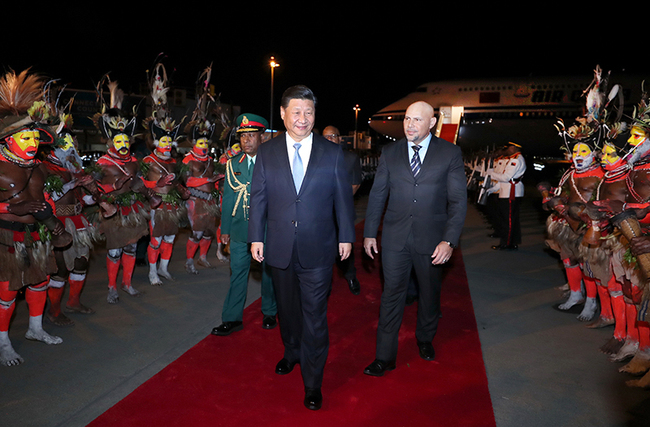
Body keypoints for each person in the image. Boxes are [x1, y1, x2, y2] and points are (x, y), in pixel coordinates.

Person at [248, 85, 355, 410]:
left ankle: (312, 382)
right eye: (296, 111)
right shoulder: (267, 152)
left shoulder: (332, 152)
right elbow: (259, 197)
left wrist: (346, 236)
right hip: (279, 247)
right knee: (288, 310)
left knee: (315, 317)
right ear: (282, 114)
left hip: (319, 250)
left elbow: (343, 200)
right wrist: (256, 236)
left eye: (308, 112)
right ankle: (291, 351)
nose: (303, 118)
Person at [362, 100, 467, 376]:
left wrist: (449, 240)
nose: (410, 124)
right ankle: (384, 357)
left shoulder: (450, 153)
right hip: (395, 240)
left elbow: (457, 202)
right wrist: (370, 232)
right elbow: (378, 195)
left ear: (432, 123)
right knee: (391, 295)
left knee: (429, 293)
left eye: (417, 120)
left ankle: (425, 338)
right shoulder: (390, 152)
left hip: (432, 241)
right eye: (407, 119)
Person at [0, 69, 65, 366]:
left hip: (38, 236)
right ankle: (3, 343)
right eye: (24, 136)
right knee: (8, 290)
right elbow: (14, 205)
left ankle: (35, 330)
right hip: (7, 235)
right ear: (7, 139)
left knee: (40, 282)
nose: (31, 142)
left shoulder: (40, 166)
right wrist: (11, 209)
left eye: (35, 137)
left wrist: (51, 214)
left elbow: (45, 196)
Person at [93, 76, 157, 304]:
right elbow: (93, 191)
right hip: (113, 211)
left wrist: (151, 193)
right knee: (115, 252)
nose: (122, 144)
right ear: (111, 143)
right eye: (117, 141)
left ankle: (127, 283)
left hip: (134, 210)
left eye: (125, 140)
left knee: (131, 248)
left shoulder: (134, 161)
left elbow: (139, 183)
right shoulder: (101, 163)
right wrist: (112, 188)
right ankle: (112, 287)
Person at [212, 113, 277, 336]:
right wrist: (225, 230)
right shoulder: (232, 164)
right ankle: (232, 318)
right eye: (243, 136)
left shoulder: (272, 163)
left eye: (251, 135)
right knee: (238, 272)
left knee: (269, 272)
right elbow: (229, 197)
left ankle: (270, 311)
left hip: (267, 229)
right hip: (240, 229)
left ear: (261, 138)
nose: (246, 140)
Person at [43, 112, 100, 325]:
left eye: (71, 141)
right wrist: (73, 184)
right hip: (58, 223)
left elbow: (79, 199)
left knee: (81, 263)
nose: (71, 145)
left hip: (78, 221)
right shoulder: (44, 167)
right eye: (65, 141)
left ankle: (73, 302)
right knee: (60, 269)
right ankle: (54, 311)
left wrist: (92, 195)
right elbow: (48, 196)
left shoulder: (72, 166)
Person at [141, 63, 188, 286]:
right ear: (158, 142)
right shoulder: (148, 160)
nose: (168, 144)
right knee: (156, 240)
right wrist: (155, 184)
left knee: (170, 238)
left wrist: (181, 189)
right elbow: (139, 183)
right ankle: (152, 272)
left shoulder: (173, 161)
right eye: (165, 141)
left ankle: (164, 268)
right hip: (157, 205)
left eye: (171, 141)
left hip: (173, 205)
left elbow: (177, 180)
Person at [323, 125, 362, 294]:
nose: (329, 139)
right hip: (320, 214)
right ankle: (325, 282)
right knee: (323, 250)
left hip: (342, 212)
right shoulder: (313, 158)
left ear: (340, 138)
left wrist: (339, 201)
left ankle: (350, 276)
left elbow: (355, 184)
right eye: (325, 137)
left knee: (345, 248)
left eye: (333, 136)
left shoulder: (351, 158)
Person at [490, 142, 526, 250]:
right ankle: (512, 241)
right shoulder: (513, 159)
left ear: (514, 148)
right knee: (510, 218)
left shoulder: (516, 160)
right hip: (508, 191)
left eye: (509, 147)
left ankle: (506, 243)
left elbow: (506, 177)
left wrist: (490, 173)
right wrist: (493, 189)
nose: (507, 150)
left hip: (511, 192)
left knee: (508, 219)